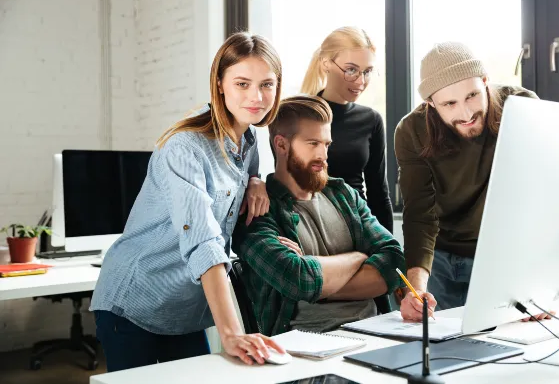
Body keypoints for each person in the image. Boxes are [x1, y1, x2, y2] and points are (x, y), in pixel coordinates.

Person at [90, 32, 286, 371]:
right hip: (136, 298)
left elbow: (243, 172)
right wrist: (232, 333)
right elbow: (203, 240)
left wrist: (256, 181)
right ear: (220, 84)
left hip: (185, 306)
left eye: (267, 84)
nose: (256, 96)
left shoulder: (250, 137)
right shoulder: (185, 147)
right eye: (242, 83)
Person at [394, 42, 550, 322]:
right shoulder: (411, 131)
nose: (466, 114)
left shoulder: (521, 107)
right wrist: (415, 292)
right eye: (449, 104)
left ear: (486, 82)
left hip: (500, 256)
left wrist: (533, 282)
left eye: (472, 96)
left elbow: (536, 199)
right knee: (433, 342)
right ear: (430, 102)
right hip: (439, 260)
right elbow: (419, 215)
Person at [232, 95, 405, 336]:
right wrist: (360, 256)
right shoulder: (257, 211)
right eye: (313, 143)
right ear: (281, 145)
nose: (323, 155)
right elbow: (298, 280)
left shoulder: (343, 194)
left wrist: (319, 284)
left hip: (376, 330)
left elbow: (395, 261)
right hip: (307, 344)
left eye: (326, 144)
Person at [300, 27, 394, 233]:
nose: (361, 81)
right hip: (311, 230)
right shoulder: (298, 116)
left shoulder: (372, 120)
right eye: (351, 70)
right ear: (326, 64)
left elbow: (379, 193)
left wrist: (390, 252)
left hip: (359, 229)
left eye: (367, 71)